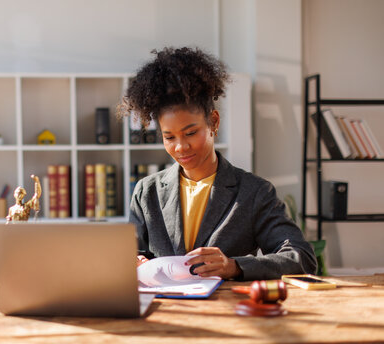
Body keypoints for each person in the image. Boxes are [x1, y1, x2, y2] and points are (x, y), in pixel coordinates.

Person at [118, 47, 316, 281]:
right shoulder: (146, 192)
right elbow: (133, 253)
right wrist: (134, 261)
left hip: (227, 310)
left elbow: (301, 258)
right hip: (166, 311)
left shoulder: (253, 193)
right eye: (169, 137)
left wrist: (234, 266)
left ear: (213, 122)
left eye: (190, 132)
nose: (180, 147)